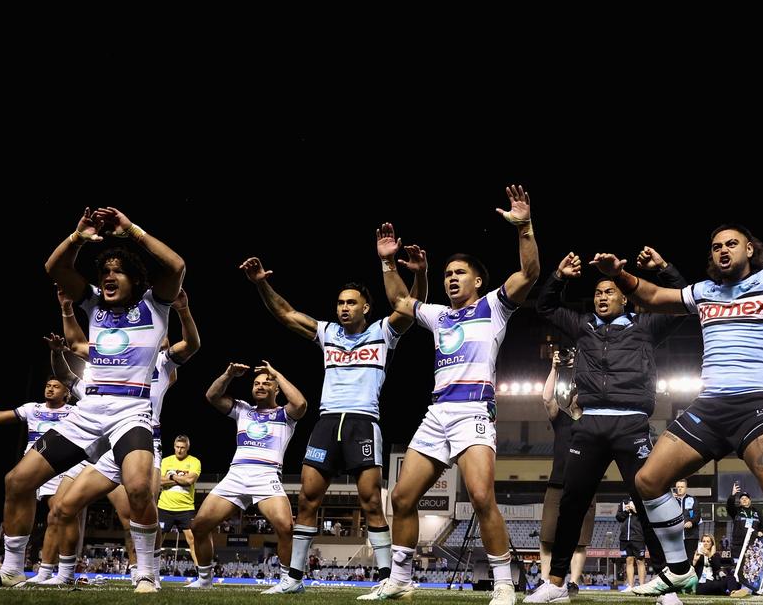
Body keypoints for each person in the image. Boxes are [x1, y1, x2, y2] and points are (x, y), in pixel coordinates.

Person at [592, 221, 763, 605]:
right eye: (715, 246)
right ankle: (678, 569)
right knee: (647, 481)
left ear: (750, 250)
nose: (722, 251)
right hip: (709, 406)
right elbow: (657, 296)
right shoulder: (705, 292)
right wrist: (619, 275)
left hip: (756, 402)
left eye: (731, 244)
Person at [0, 208, 186, 592]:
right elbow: (54, 268)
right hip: (87, 413)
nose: (107, 277)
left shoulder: (155, 306)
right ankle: (11, 569)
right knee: (17, 481)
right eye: (104, 271)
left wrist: (131, 231)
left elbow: (176, 265)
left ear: (135, 279)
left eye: (117, 271)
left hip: (131, 412)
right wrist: (76, 236)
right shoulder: (93, 306)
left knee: (139, 488)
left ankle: (146, 573)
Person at [240, 226, 427, 597]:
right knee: (308, 498)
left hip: (362, 421)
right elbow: (287, 314)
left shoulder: (383, 331)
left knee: (372, 501)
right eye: (340, 302)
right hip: (327, 422)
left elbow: (411, 308)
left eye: (350, 302)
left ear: (366, 307)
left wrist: (414, 273)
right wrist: (261, 283)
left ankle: (387, 578)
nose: (343, 308)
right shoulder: (327, 333)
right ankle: (293, 577)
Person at [377, 185, 540, 605]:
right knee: (402, 496)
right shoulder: (439, 315)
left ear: (478, 279)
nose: (451, 278)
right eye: (447, 273)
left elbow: (530, 274)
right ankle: (401, 578)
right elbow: (398, 298)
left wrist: (524, 227)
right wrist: (387, 260)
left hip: (474, 411)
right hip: (437, 413)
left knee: (483, 497)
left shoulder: (493, 306)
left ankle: (504, 583)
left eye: (459, 272)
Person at [525, 245, 687, 605]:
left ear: (625, 297)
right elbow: (546, 307)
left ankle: (665, 584)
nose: (601, 297)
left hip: (631, 424)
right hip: (590, 424)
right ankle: (555, 582)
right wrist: (558, 278)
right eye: (597, 292)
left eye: (609, 291)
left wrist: (663, 267)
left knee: (649, 503)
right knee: (572, 504)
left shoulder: (645, 328)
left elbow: (681, 302)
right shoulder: (582, 327)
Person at [39, 286, 198, 587]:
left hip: (143, 439)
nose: (154, 334)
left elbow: (190, 344)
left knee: (143, 502)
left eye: (159, 331)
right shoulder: (105, 367)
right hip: (105, 447)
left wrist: (182, 311)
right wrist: (60, 349)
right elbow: (69, 377)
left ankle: (147, 570)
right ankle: (63, 575)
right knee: (63, 507)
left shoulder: (163, 365)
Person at [187, 361, 308, 589]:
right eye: (256, 383)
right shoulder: (243, 409)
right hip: (236, 475)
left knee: (285, 527)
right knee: (199, 526)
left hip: (266, 475)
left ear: (276, 389)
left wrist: (276, 373)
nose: (260, 386)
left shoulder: (285, 414)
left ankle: (287, 582)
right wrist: (228, 374)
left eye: (266, 383)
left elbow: (300, 403)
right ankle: (204, 580)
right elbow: (212, 396)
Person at [0, 375, 82, 585]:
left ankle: (59, 571)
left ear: (66, 393)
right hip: (33, 465)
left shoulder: (74, 412)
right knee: (20, 500)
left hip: (62, 467)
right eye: (48, 385)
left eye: (56, 387)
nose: (50, 389)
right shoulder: (32, 408)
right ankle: (15, 568)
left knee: (60, 514)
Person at [534, 348, 594, 595]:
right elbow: (547, 399)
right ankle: (546, 581)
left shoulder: (595, 425)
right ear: (569, 398)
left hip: (585, 488)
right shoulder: (562, 420)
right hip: (556, 485)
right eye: (576, 392)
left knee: (580, 542)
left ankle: (573, 583)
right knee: (547, 538)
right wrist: (555, 368)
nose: (578, 396)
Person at [158, 435, 200, 566]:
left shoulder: (194, 462)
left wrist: (171, 476)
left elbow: (189, 481)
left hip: (186, 508)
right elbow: (159, 481)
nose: (179, 450)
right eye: (177, 447)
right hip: (165, 507)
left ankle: (202, 573)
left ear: (187, 447)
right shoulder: (165, 461)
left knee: (192, 540)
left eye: (182, 447)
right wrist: (180, 479)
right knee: (157, 540)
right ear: (174, 446)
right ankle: (152, 571)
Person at [618, 497, 648, 590]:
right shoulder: (624, 502)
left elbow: (646, 517)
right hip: (624, 538)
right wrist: (626, 511)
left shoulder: (643, 501)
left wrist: (635, 510)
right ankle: (630, 586)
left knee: (640, 560)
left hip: (638, 536)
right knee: (628, 560)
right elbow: (619, 517)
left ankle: (642, 586)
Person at [676, 479, 703, 563]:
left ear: (686, 488)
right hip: (676, 537)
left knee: (690, 560)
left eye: (682, 487)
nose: (680, 489)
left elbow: (697, 515)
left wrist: (691, 522)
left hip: (691, 536)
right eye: (678, 487)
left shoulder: (692, 499)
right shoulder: (672, 501)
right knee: (678, 561)